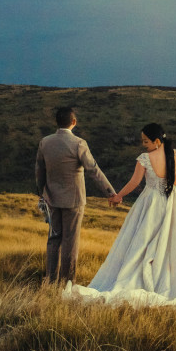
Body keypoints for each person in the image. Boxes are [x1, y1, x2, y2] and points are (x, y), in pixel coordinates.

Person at [63, 123, 176, 308]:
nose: (143, 144)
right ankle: (167, 278)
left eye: (146, 141)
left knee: (140, 243)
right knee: (172, 244)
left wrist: (119, 195)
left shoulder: (145, 158)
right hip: (173, 201)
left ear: (157, 141)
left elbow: (134, 182)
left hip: (150, 203)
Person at [35, 107, 118, 285]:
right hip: (74, 201)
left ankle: (50, 281)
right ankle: (67, 283)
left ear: (56, 122)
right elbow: (93, 170)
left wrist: (42, 193)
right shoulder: (79, 143)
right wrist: (110, 192)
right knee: (70, 242)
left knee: (53, 239)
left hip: (51, 199)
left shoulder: (45, 142)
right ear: (74, 122)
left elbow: (39, 171)